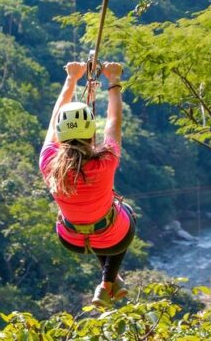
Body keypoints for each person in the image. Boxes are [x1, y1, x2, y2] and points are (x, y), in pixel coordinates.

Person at [39, 61, 137, 307]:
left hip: (71, 239)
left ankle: (113, 283)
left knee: (92, 224)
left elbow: (54, 119)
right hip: (113, 237)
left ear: (61, 133)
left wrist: (72, 79)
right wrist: (113, 79)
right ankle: (107, 282)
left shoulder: (48, 161)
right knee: (123, 215)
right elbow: (113, 122)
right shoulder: (105, 159)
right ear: (91, 131)